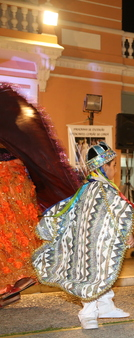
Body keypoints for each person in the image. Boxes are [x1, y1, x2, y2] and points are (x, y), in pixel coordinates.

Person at [33, 142, 134, 329]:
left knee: (101, 270)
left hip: (92, 242)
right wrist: (127, 233)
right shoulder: (104, 190)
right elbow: (119, 211)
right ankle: (88, 313)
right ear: (104, 166)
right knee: (93, 273)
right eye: (114, 165)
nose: (115, 170)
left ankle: (106, 307)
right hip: (93, 245)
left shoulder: (85, 190)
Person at [0, 84, 79, 308]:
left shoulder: (6, 104)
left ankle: (10, 286)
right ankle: (9, 290)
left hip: (9, 181)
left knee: (12, 232)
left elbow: (28, 141)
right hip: (12, 178)